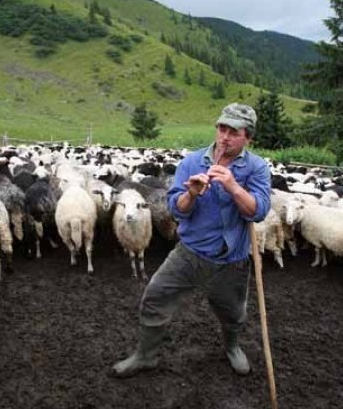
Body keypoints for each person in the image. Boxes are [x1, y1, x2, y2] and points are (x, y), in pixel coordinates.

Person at [111, 103, 271, 378]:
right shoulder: (191, 163)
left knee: (233, 313)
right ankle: (145, 356)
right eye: (222, 128)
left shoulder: (257, 168)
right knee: (154, 298)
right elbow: (175, 210)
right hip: (190, 252)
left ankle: (232, 347)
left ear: (248, 137)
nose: (225, 137)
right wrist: (192, 194)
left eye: (234, 131)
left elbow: (258, 211)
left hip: (231, 259)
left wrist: (233, 186)